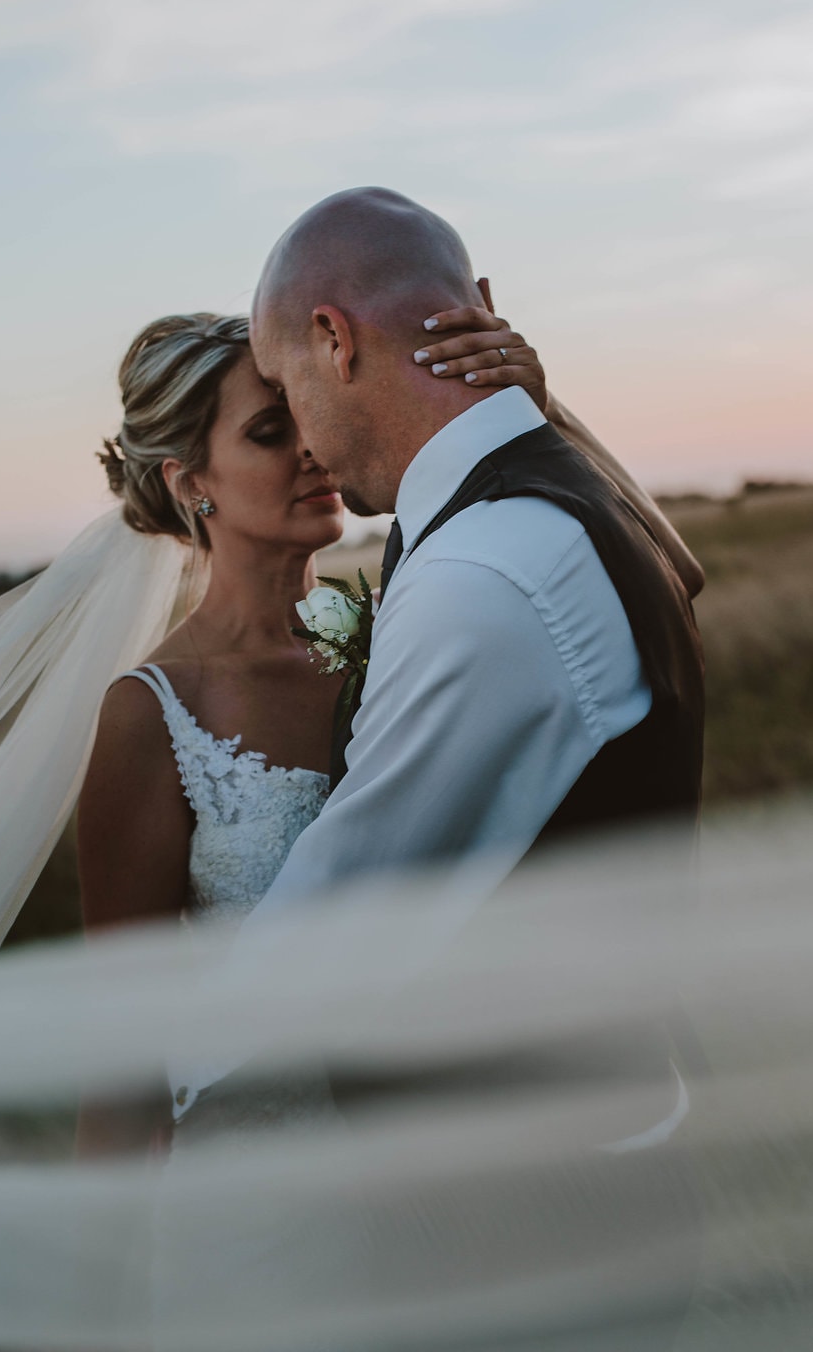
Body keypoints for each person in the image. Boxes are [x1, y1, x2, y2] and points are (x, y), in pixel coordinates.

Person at [169, 186, 705, 1136]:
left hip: (524, 1187)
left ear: (335, 340)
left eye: (288, 392)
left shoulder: (481, 568)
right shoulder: (532, 508)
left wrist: (176, 1086)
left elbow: (333, 925)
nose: (306, 441)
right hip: (591, 1149)